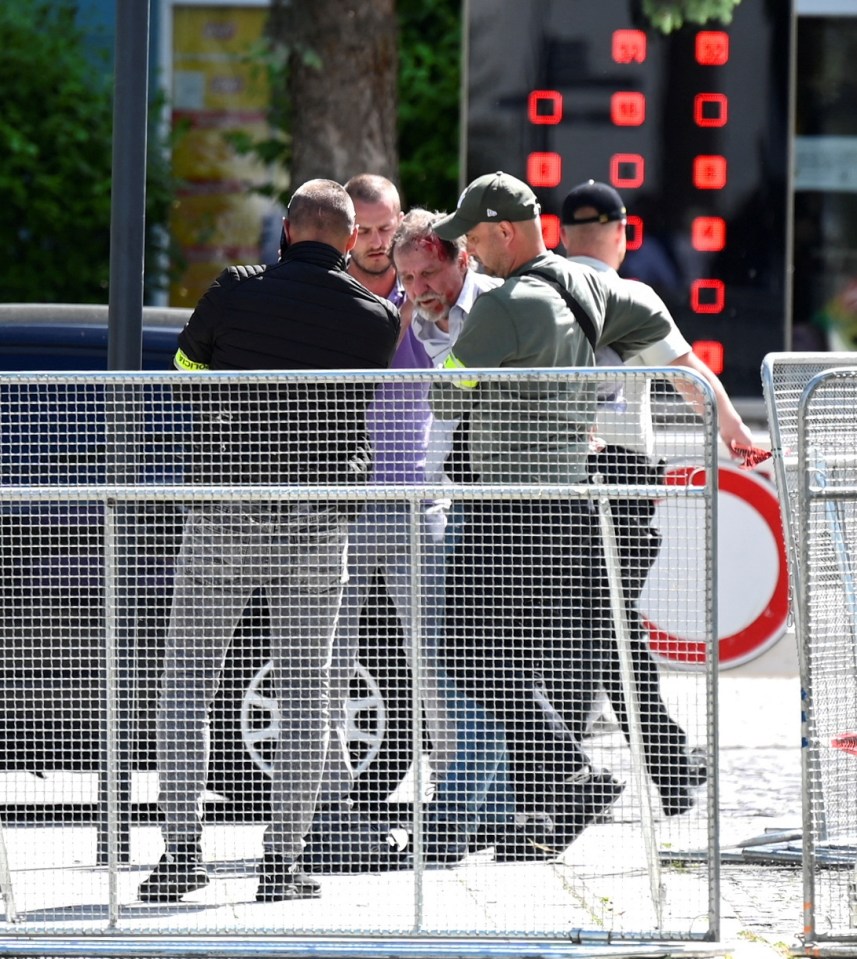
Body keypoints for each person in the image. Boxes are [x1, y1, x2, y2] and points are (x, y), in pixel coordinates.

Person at [138, 178, 400, 905]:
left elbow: (186, 372)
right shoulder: (376, 318)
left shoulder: (232, 289)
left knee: (189, 682)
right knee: (307, 693)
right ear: (349, 241)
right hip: (319, 521)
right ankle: (280, 865)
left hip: (226, 506)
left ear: (286, 230)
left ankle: (180, 857)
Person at [427, 171, 698, 860]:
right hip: (568, 501)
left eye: (475, 239)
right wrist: (728, 427)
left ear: (505, 231)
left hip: (505, 505)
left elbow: (444, 397)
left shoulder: (502, 305)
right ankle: (554, 796)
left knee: (465, 648)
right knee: (534, 654)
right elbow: (679, 358)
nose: (472, 255)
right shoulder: (596, 288)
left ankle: (569, 776)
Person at [560, 179, 753, 815]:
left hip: (551, 475)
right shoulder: (629, 293)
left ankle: (597, 769)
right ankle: (611, 768)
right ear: (620, 235)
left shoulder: (543, 293)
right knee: (604, 628)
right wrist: (733, 428)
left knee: (587, 628)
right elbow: (689, 377)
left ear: (562, 235)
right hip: (622, 475)